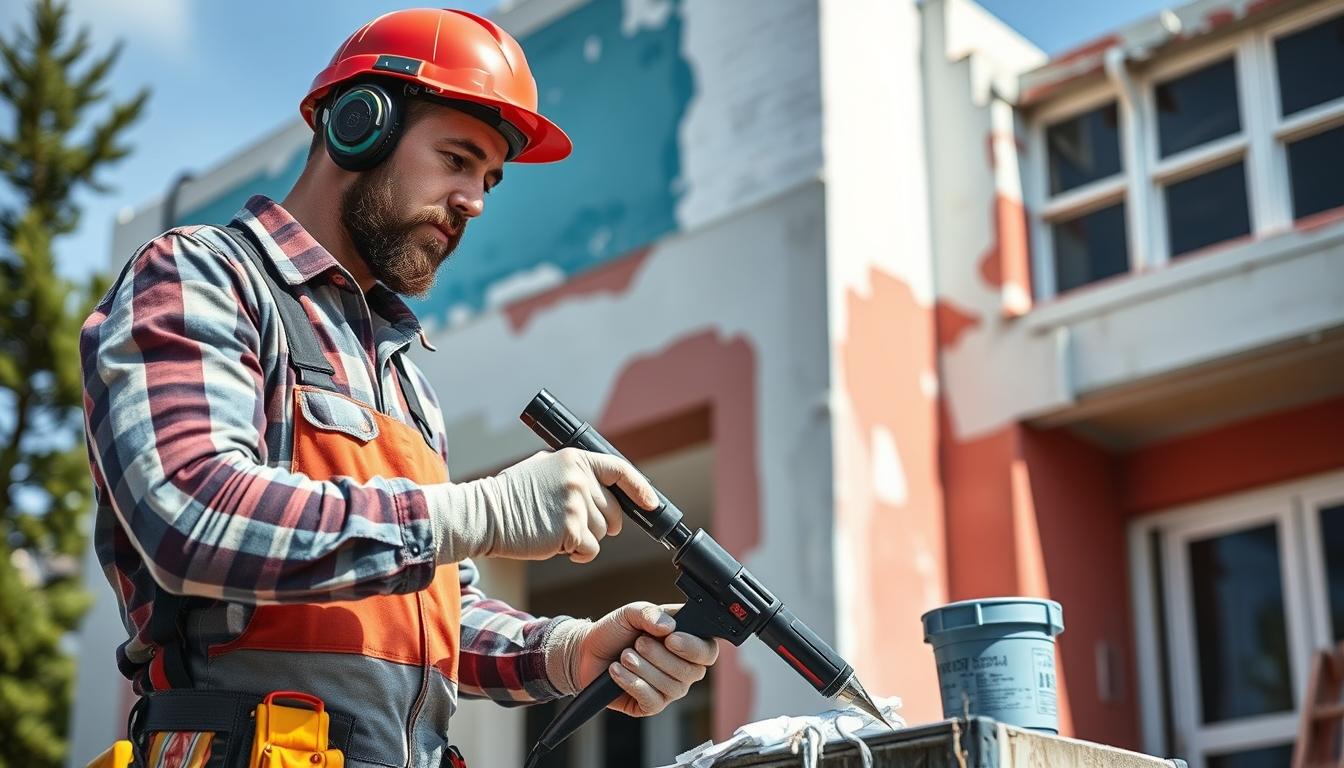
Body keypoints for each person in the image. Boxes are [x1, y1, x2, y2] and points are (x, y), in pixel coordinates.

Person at [79, 8, 718, 768]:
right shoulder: (202, 277)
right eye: (456, 159)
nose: (475, 201)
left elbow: (425, 607)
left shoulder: (404, 376)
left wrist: (571, 652)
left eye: (487, 179)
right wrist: (480, 509)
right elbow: (192, 514)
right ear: (359, 125)